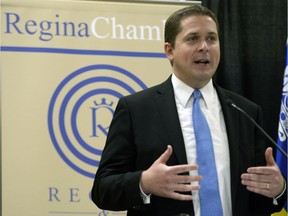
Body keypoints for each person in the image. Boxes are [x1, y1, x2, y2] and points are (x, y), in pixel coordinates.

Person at [91, 5, 287, 216]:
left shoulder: (245, 111)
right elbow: (102, 190)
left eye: (212, 39)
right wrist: (144, 182)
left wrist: (277, 190)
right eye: (192, 38)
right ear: (169, 50)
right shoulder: (136, 109)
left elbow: (256, 201)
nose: (204, 47)